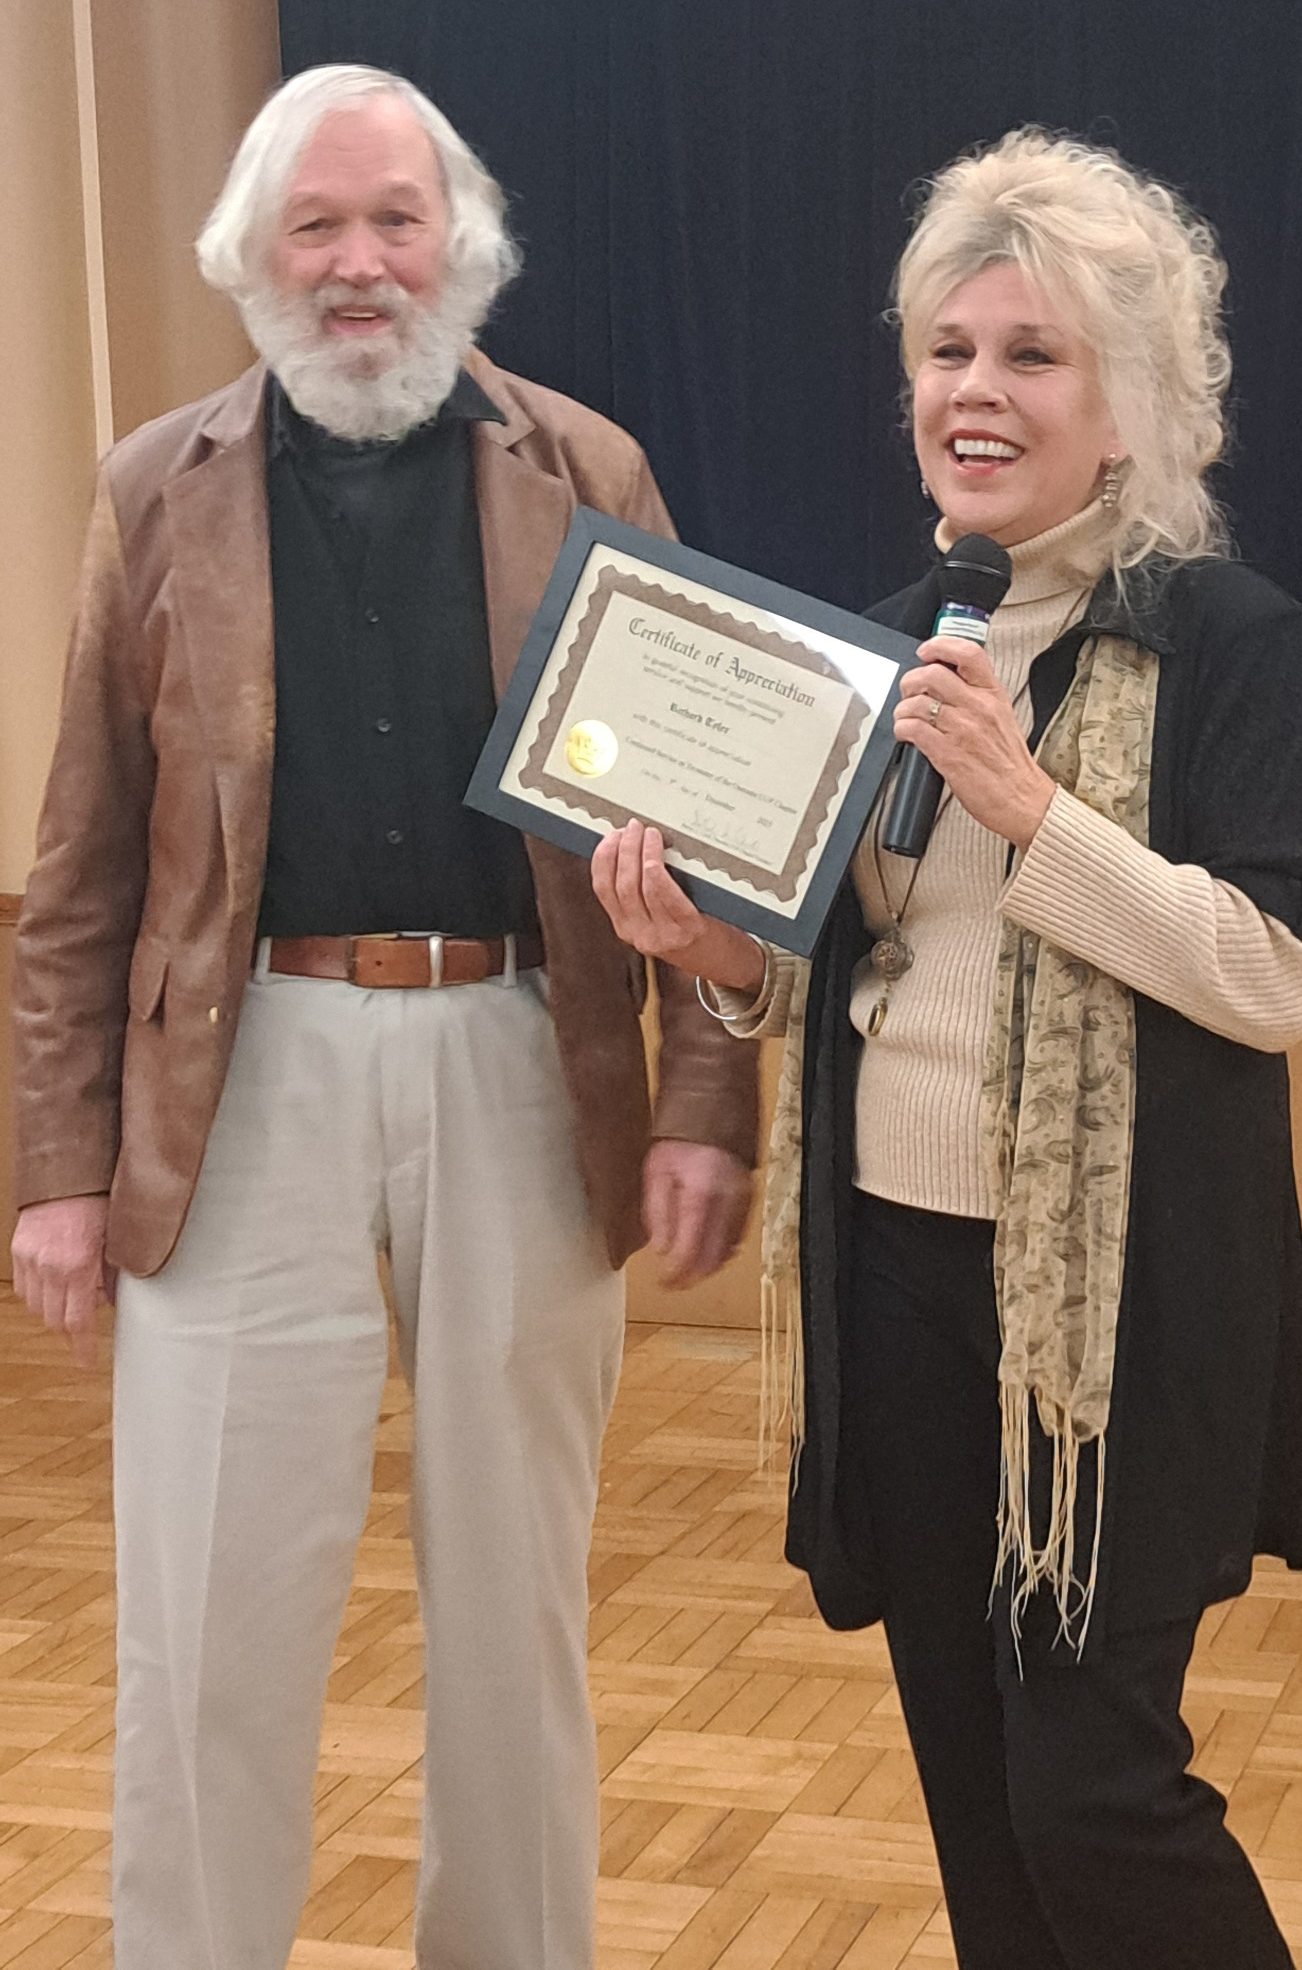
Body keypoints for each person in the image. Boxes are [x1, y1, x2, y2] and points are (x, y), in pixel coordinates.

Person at [9, 63, 758, 1970]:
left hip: (531, 1057)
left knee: (514, 1614)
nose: (359, 265)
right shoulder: (149, 489)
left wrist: (703, 1101)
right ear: (251, 259)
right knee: (206, 1616)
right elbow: (82, 868)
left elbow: (711, 830)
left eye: (393, 221)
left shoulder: (586, 469)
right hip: (235, 1074)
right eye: (315, 229)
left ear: (464, 243)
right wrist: (58, 1169)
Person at [592, 129, 1302, 1969]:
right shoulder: (891, 641)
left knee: (1094, 1787)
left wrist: (1031, 809)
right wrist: (714, 961)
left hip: (1121, 1318)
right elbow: (852, 974)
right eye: (946, 349)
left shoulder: (1226, 643)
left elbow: (1270, 972)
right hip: (898, 1277)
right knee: (978, 1797)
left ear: (1128, 405)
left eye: (1030, 355)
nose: (972, 391)